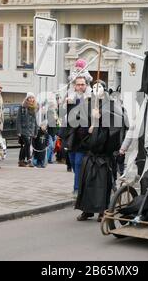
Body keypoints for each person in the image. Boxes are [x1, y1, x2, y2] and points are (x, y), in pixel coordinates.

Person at [75, 80, 128, 222]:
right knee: (86, 185)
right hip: (91, 153)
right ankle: (87, 210)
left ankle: (102, 211)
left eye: (99, 87)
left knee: (103, 186)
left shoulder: (111, 105)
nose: (96, 90)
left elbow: (115, 126)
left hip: (104, 155)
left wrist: (100, 120)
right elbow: (81, 124)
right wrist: (90, 126)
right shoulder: (88, 104)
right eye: (94, 87)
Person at [62, 62, 93, 196]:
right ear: (74, 85)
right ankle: (82, 183)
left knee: (80, 162)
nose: (80, 86)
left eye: (82, 84)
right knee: (73, 162)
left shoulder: (91, 98)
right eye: (78, 84)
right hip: (71, 136)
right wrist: (64, 104)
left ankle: (77, 189)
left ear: (86, 85)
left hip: (83, 136)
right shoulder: (70, 97)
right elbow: (63, 116)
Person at [17, 92, 39, 168]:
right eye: (30, 98)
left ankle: (21, 161)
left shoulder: (34, 108)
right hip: (23, 130)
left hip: (31, 130)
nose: (31, 99)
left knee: (24, 145)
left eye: (32, 98)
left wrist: (36, 131)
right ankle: (29, 160)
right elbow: (18, 119)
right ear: (27, 99)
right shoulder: (22, 107)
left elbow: (35, 121)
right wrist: (19, 131)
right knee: (28, 143)